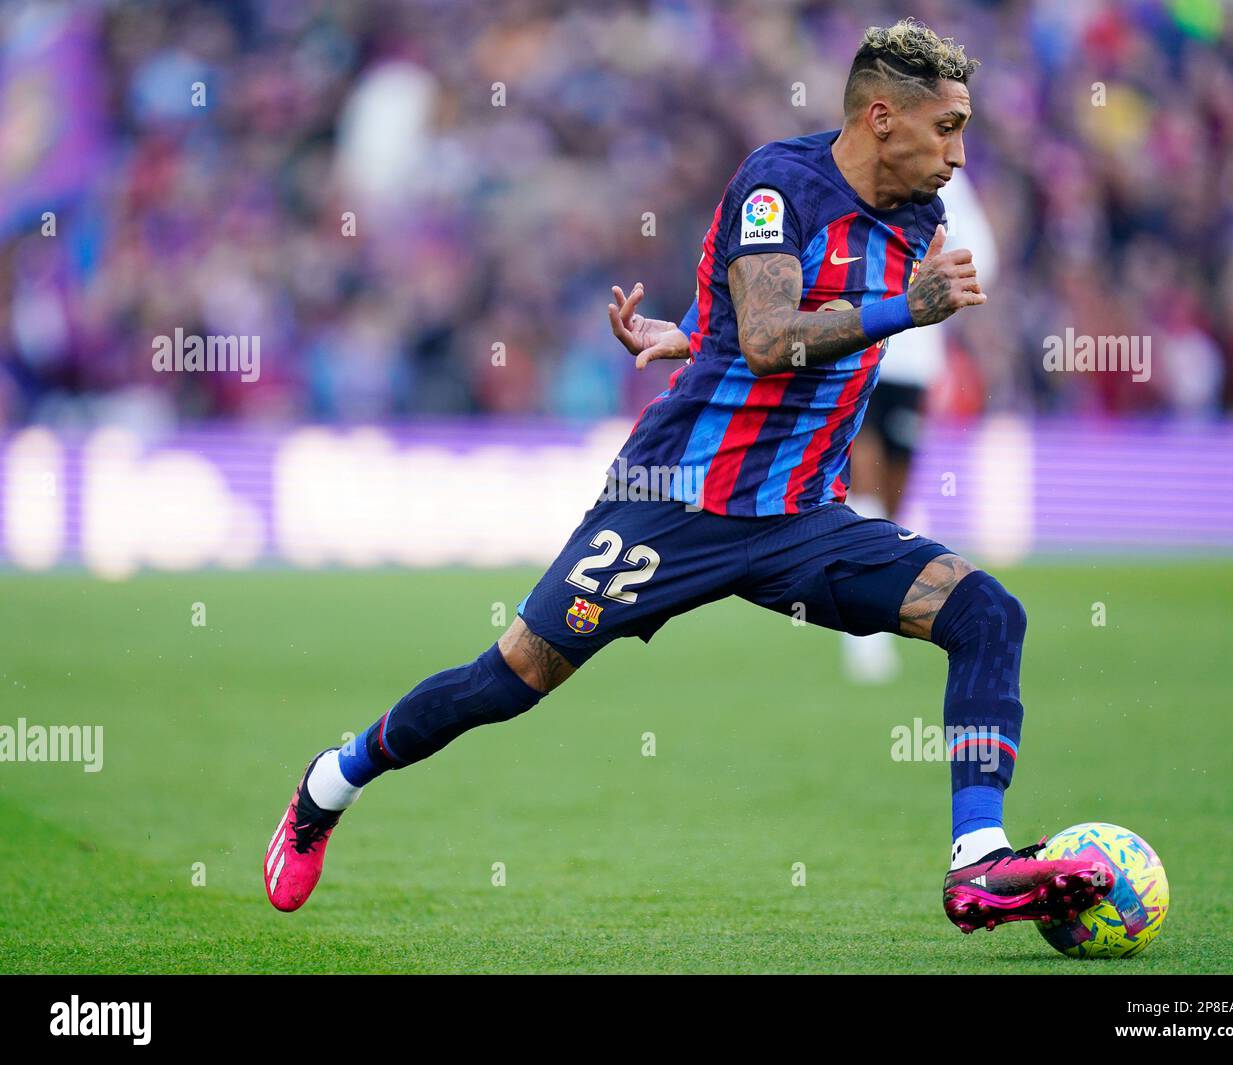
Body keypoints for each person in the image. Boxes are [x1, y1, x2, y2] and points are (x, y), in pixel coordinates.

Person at [264, 19, 1113, 934]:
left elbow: (753, 322)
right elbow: (768, 336)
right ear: (881, 118)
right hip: (672, 503)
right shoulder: (780, 183)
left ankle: (978, 859)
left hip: (800, 519)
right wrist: (898, 310)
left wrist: (691, 332)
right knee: (508, 681)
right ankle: (330, 783)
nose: (958, 152)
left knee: (987, 610)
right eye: (947, 127)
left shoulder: (921, 218)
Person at [840, 166, 999, 683]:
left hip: (912, 357)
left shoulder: (945, 181)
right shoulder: (851, 169)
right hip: (855, 346)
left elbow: (984, 258)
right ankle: (862, 634)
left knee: (893, 498)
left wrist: (939, 284)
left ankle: (876, 604)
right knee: (860, 476)